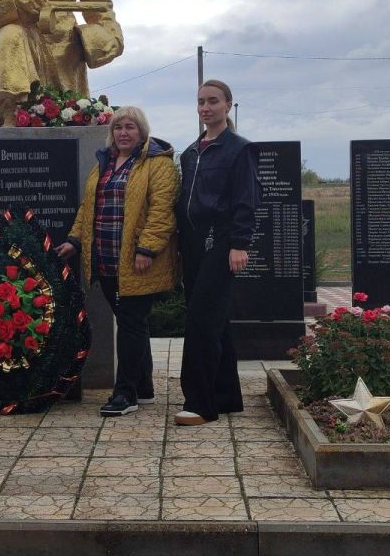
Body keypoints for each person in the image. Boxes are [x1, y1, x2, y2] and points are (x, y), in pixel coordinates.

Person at [57, 106, 179, 416]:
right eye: (118, 128)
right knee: (132, 323)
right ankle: (144, 387)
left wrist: (147, 249)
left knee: (130, 324)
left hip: (137, 261)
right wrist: (74, 240)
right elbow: (88, 208)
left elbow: (161, 212)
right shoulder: (105, 165)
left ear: (142, 131)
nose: (123, 133)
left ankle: (125, 394)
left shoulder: (158, 165)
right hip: (106, 259)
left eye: (130, 127)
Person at [174, 80, 261, 426]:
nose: (206, 108)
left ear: (228, 105)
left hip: (222, 243)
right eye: (201, 102)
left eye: (213, 101)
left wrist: (240, 243)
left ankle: (200, 403)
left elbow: (246, 199)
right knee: (216, 321)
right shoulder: (191, 153)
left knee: (200, 322)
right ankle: (226, 395)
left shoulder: (239, 149)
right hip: (193, 245)